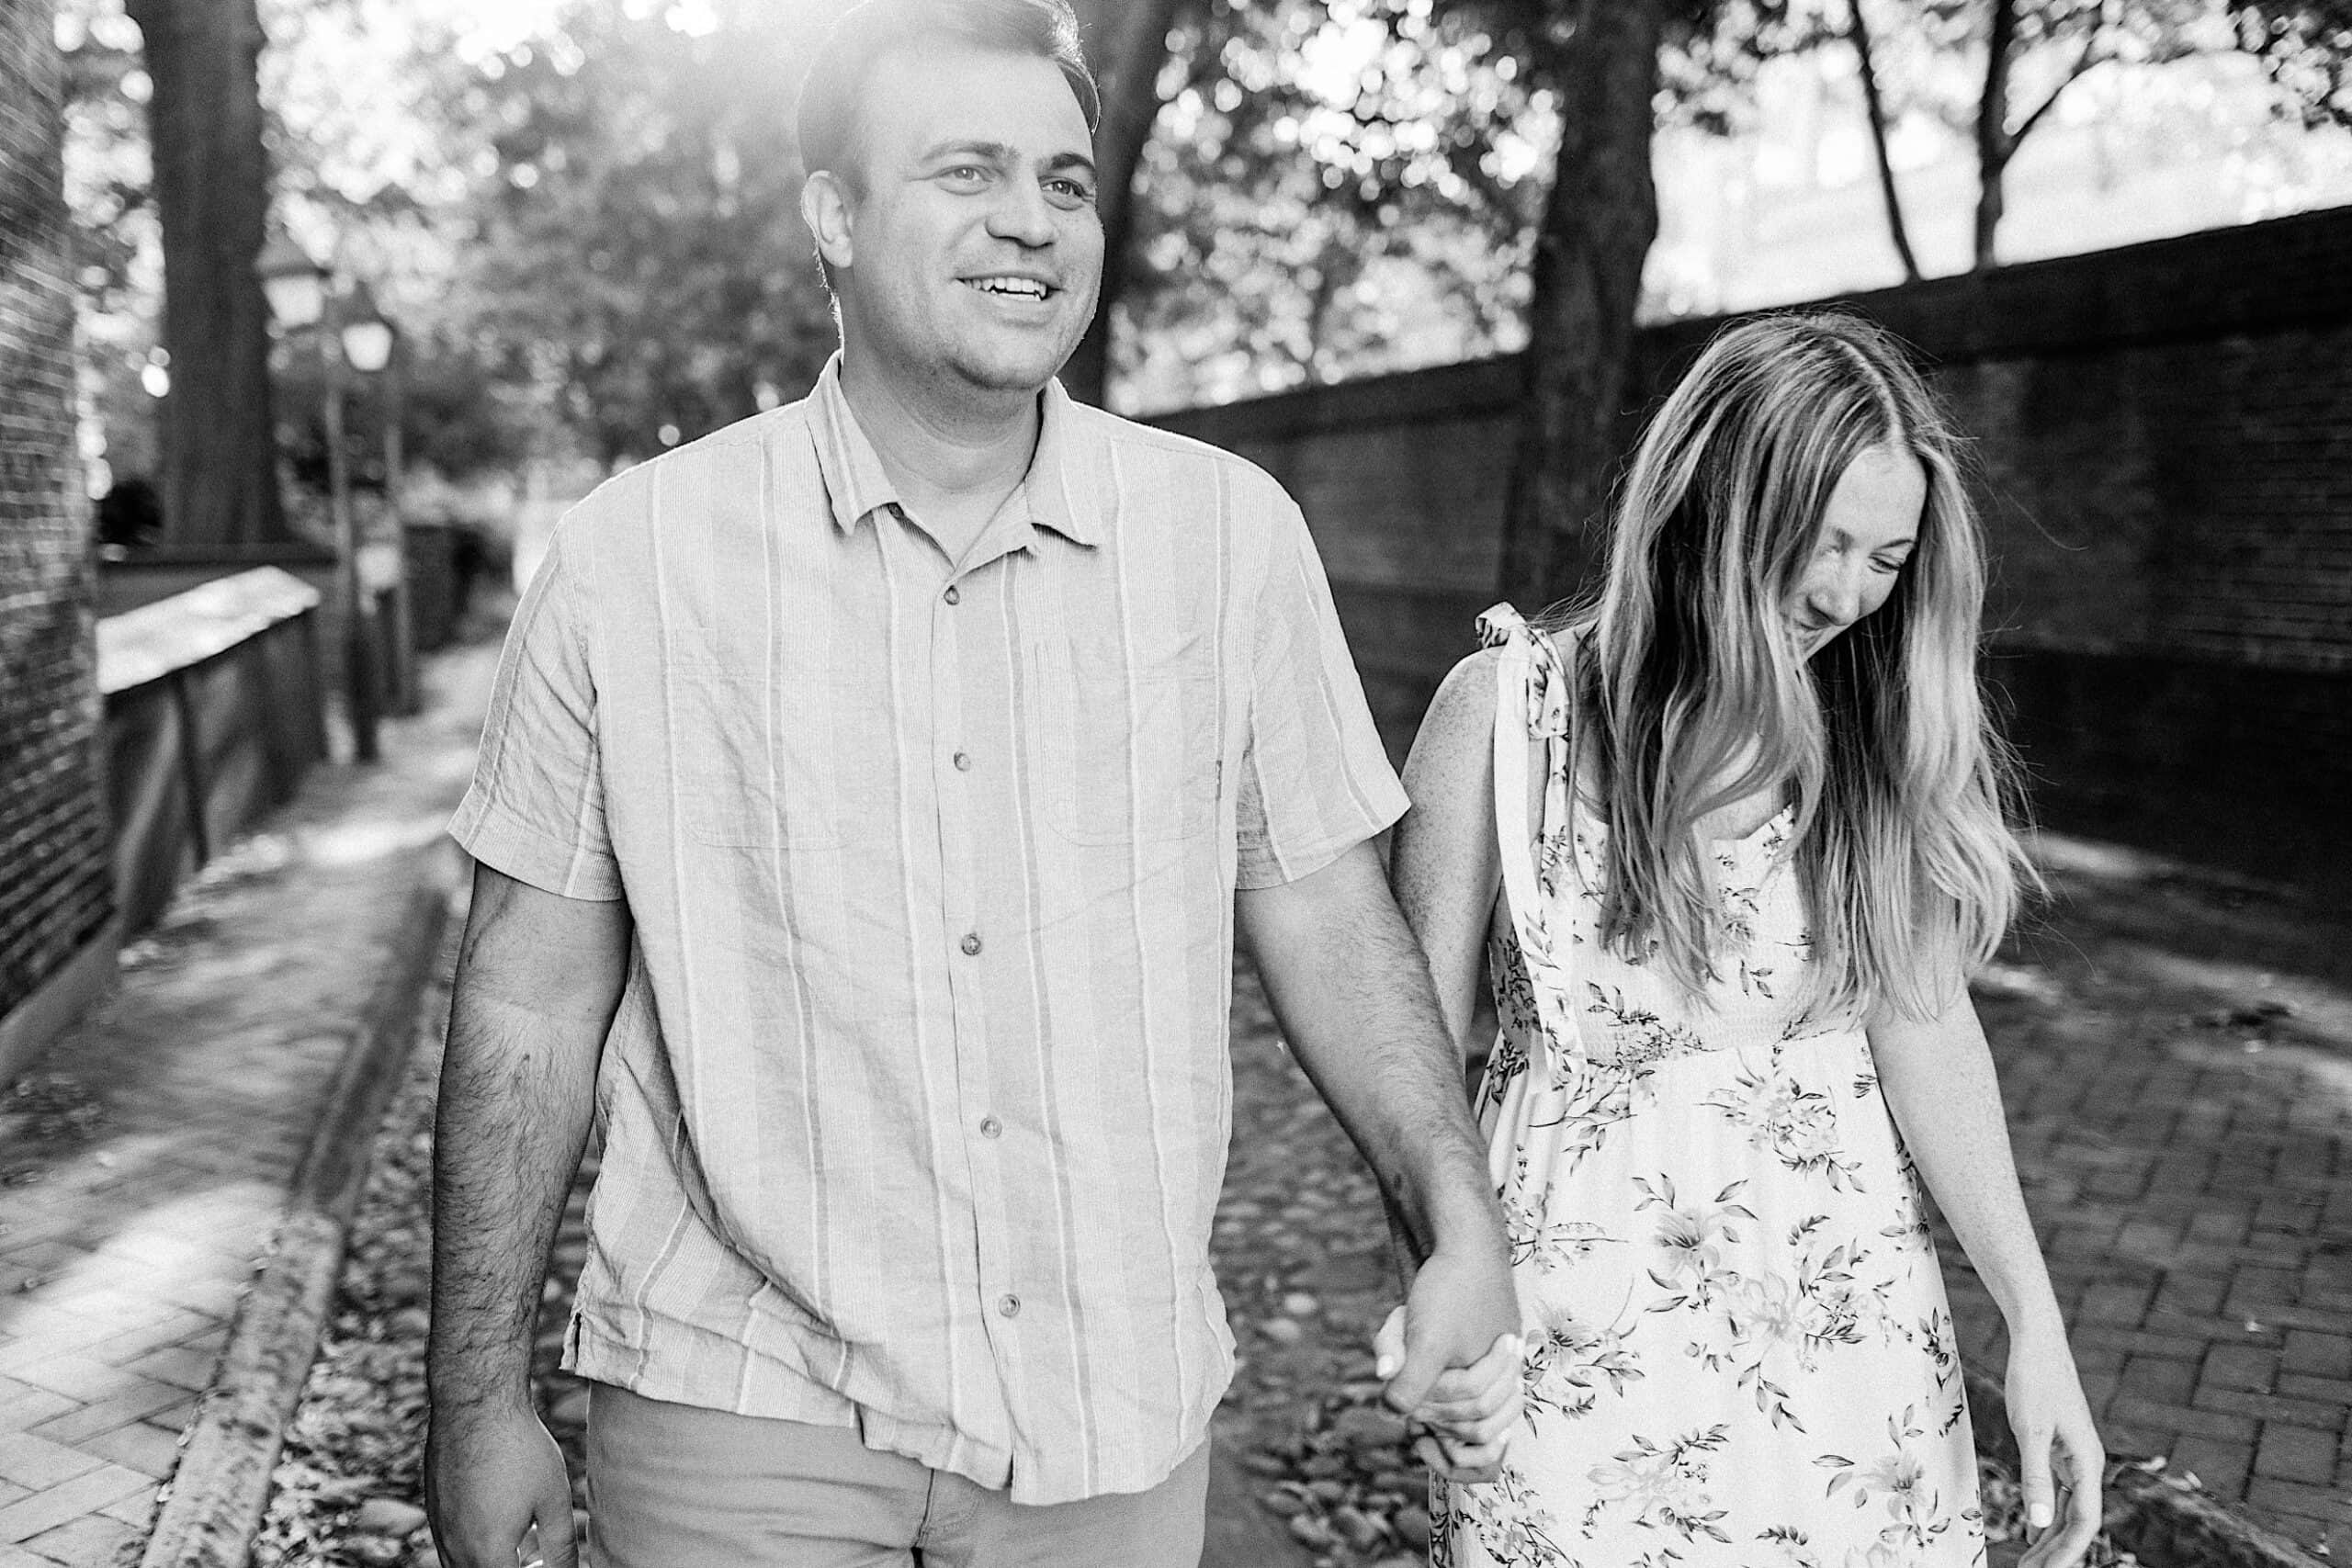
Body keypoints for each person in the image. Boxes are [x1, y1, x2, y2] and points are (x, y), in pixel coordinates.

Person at [422, 3, 1520, 1565]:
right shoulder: (634, 562)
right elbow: (526, 997)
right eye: (967, 170)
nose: (1032, 219)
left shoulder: (1229, 542)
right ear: (836, 219)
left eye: (1066, 182)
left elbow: (1337, 923)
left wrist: (1453, 1216)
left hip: (1109, 1426)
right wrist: (473, 1399)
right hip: (742, 1414)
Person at [1390, 313, 2106, 1568]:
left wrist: (2033, 1324)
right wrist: (1439, 1302)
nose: (1845, 595)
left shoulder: (1875, 730)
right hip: (1570, 1354)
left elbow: (1927, 1027)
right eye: (1820, 541)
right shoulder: (1504, 719)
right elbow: (1409, 1063)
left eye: (1887, 558)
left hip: (1850, 1342)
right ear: (1711, 500)